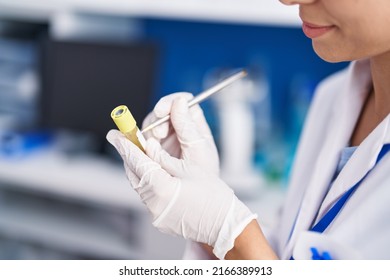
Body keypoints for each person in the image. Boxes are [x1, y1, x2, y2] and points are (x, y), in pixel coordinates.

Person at [106, 0, 390, 260]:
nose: (288, 0)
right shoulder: (332, 98)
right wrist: (207, 210)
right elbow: (286, 257)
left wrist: (228, 231)